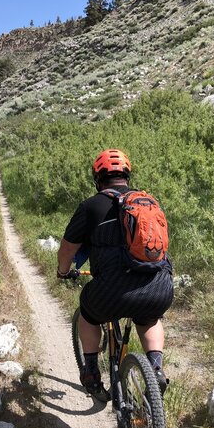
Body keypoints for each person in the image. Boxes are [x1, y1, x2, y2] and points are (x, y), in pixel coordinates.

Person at [57, 149, 174, 402]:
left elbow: (68, 248)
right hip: (158, 287)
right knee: (149, 318)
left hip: (112, 291)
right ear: (127, 176)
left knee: (88, 314)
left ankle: (90, 371)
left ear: (97, 178)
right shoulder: (148, 202)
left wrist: (63, 271)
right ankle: (155, 367)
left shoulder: (90, 206)